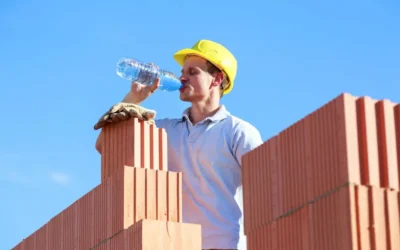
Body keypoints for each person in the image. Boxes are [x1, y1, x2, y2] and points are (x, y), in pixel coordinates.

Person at [96, 39, 263, 250]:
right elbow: (104, 146)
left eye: (193, 72)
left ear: (217, 79)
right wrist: (134, 99)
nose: (182, 77)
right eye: (183, 71)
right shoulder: (165, 130)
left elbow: (266, 188)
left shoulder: (238, 131)